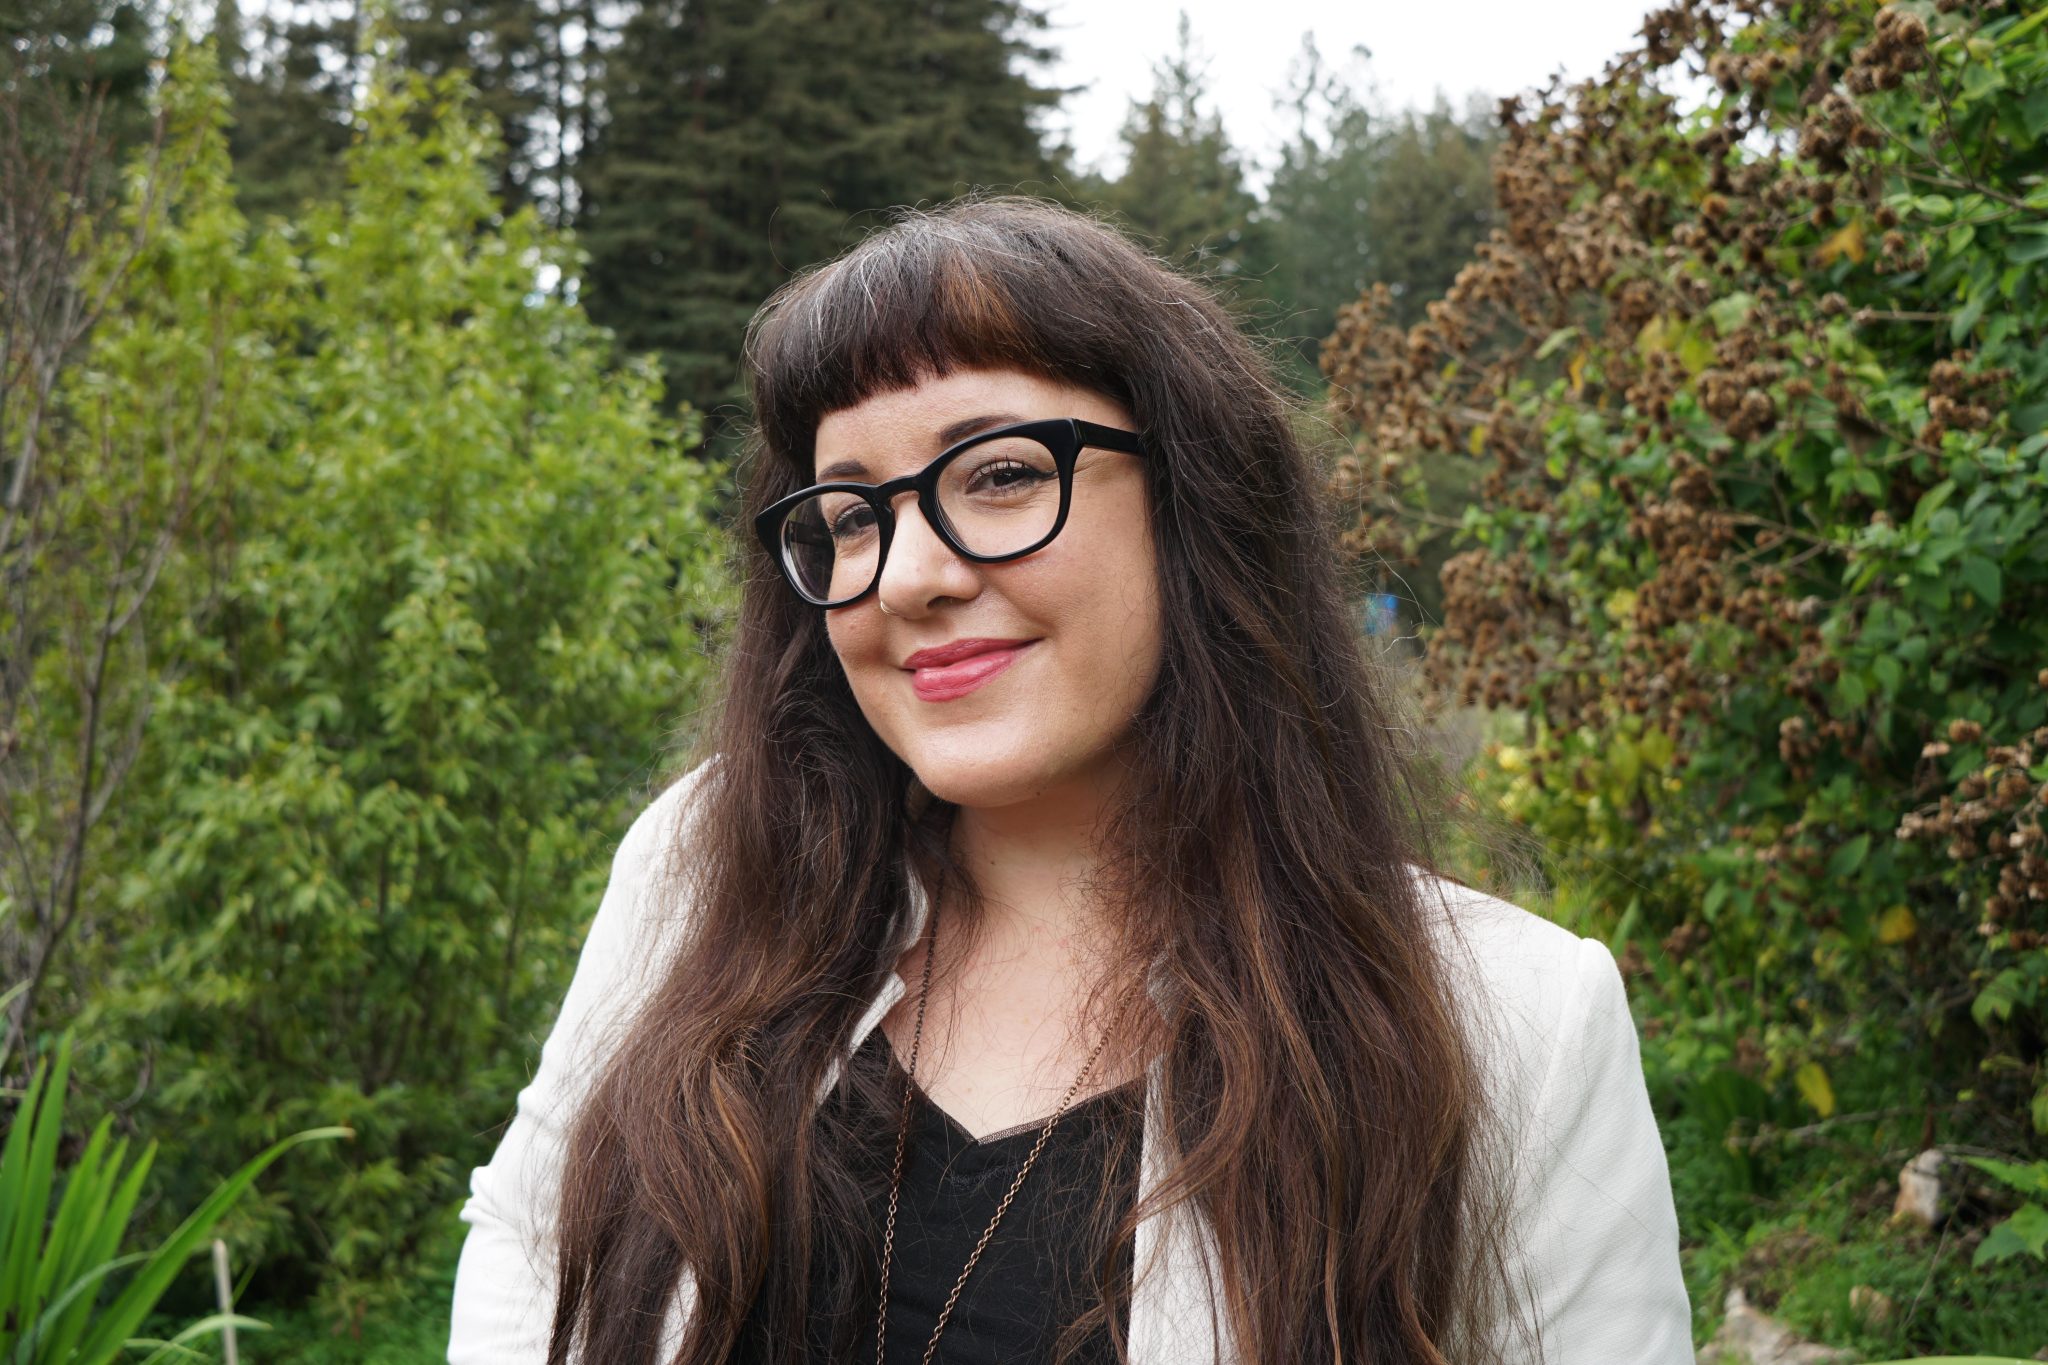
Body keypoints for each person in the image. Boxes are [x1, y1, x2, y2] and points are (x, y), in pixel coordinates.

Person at [447, 197, 1691, 1365]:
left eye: (998, 475)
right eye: (852, 516)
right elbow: (530, 1241)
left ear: (1192, 503)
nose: (905, 577)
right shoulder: (714, 860)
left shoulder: (1510, 1025)